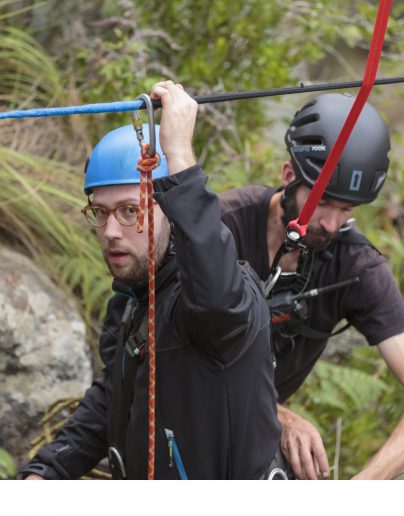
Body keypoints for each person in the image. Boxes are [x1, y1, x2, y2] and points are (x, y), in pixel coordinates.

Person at [21, 81, 281, 480]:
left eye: (130, 211)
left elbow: (217, 302)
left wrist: (179, 156)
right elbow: (114, 399)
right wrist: (46, 471)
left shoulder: (217, 304)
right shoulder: (130, 301)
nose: (110, 230)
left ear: (171, 214)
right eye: (101, 213)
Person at [220, 93, 404, 480]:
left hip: (248, 441)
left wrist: (362, 487)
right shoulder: (223, 226)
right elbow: (174, 356)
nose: (331, 223)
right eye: (323, 203)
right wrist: (279, 416)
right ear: (287, 175)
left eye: (346, 210)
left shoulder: (353, 262)